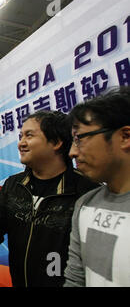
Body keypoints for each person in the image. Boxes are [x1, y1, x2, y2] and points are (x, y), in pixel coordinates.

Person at [0, 110, 99, 287]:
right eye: (20, 136)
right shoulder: (14, 185)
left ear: (56, 142)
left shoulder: (86, 192)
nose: (21, 143)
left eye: (29, 136)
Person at [64, 87, 130, 287]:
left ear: (125, 137)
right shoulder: (85, 205)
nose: (72, 152)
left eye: (80, 139)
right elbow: (75, 279)